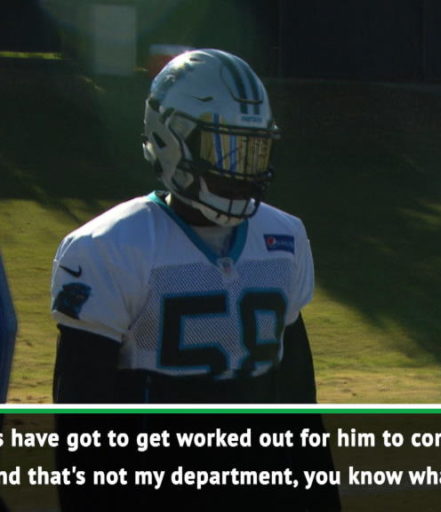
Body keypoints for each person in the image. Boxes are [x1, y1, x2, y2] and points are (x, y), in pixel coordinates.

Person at [51, 48, 318, 405]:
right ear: (169, 140)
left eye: (251, 151)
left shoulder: (284, 236)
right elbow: (83, 410)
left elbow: (297, 398)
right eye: (222, 149)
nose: (239, 173)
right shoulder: (110, 247)